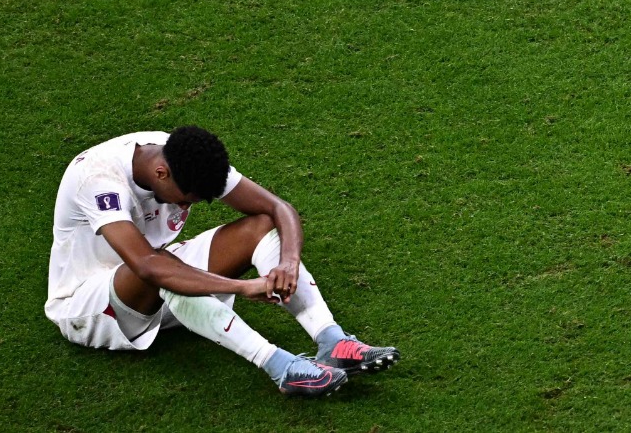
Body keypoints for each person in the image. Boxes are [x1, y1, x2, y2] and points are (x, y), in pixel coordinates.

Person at [45, 125, 399, 396]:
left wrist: (288, 262)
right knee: (166, 271)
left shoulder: (185, 154)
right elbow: (147, 267)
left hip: (159, 272)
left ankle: (332, 341)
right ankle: (280, 367)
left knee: (259, 226)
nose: (187, 207)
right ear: (161, 174)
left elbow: (277, 208)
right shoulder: (98, 178)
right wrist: (241, 287)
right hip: (90, 306)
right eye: (188, 199)